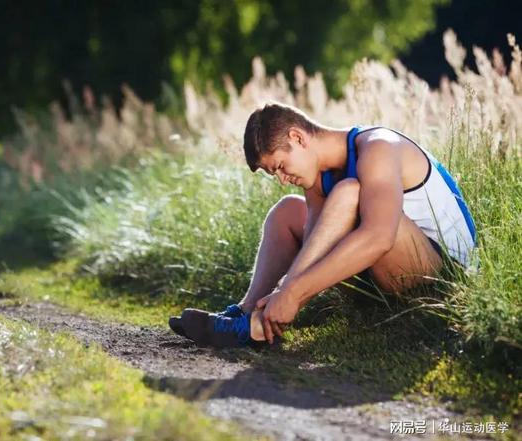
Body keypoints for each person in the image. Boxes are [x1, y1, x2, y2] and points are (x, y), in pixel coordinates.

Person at [169, 102, 477, 347]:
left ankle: (256, 327)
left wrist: (292, 292)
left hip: (442, 278)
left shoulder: (379, 147)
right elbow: (316, 245)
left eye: (280, 167)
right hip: (385, 276)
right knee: (287, 211)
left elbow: (380, 237)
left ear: (298, 137)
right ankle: (247, 316)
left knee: (348, 193)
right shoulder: (318, 177)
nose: (281, 179)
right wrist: (283, 292)